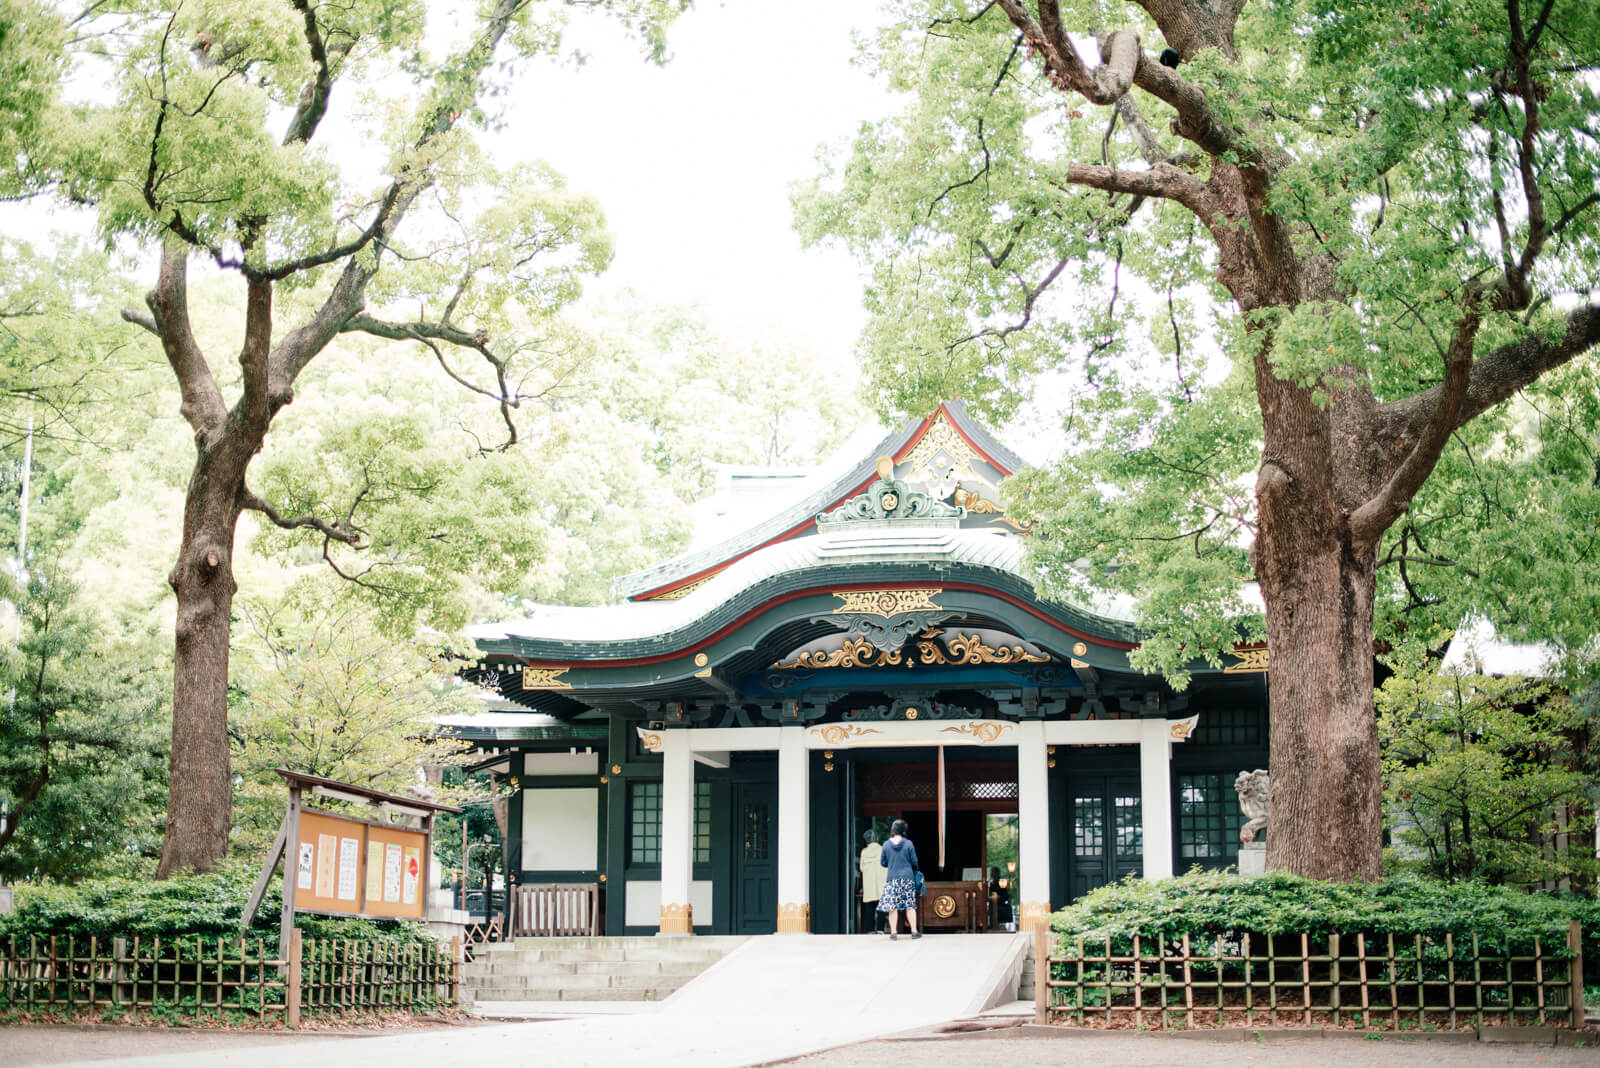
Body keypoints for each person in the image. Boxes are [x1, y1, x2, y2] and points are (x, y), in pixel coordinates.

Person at [877, 818, 921, 940]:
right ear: (903, 831)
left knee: (892, 906)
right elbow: (914, 861)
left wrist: (892, 863)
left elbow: (883, 863)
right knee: (910, 905)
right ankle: (914, 931)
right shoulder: (908, 844)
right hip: (907, 878)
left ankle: (893, 933)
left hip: (892, 878)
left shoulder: (886, 845)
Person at [859, 829, 886, 933]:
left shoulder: (864, 852)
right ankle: (880, 929)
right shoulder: (883, 850)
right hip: (881, 882)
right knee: (881, 908)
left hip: (869, 884)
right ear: (877, 838)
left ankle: (869, 930)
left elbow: (861, 868)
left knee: (869, 908)